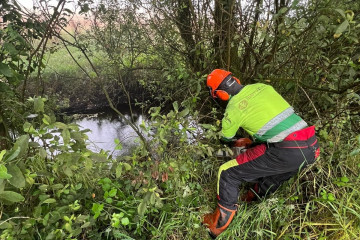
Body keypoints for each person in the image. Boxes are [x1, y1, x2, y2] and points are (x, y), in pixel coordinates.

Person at [202, 69, 320, 238]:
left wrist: (235, 142)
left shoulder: (233, 108)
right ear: (235, 79)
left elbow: (226, 138)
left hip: (286, 149)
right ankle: (250, 199)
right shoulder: (262, 87)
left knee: (227, 173)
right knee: (274, 176)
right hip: (311, 147)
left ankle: (217, 225)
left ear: (220, 94)